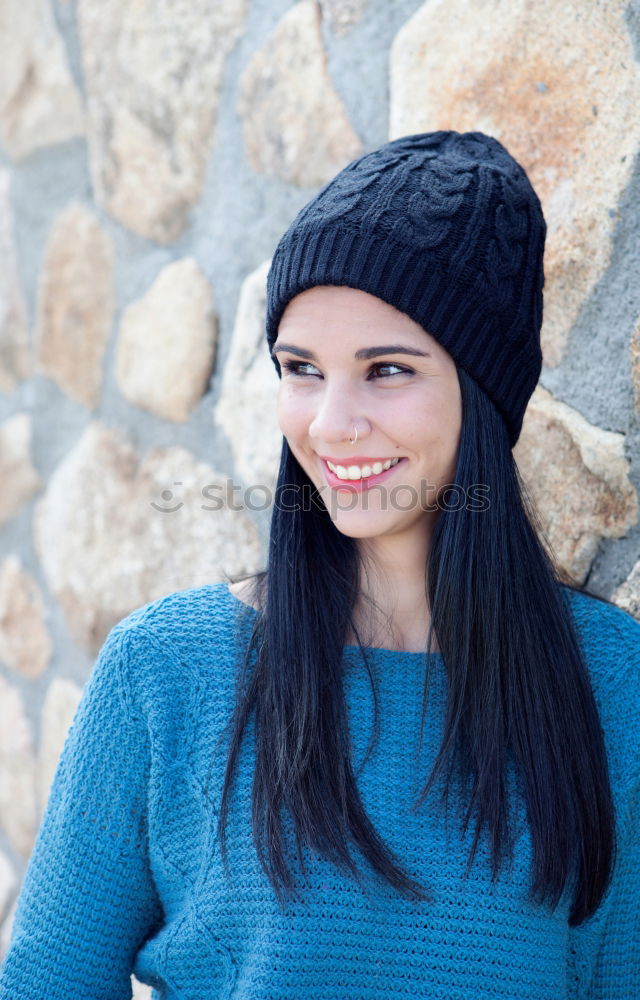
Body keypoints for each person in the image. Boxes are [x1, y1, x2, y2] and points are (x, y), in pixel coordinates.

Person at [0, 131, 638, 1000]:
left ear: (481, 398)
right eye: (302, 369)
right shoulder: (166, 670)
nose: (333, 424)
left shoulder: (610, 680)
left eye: (386, 370)